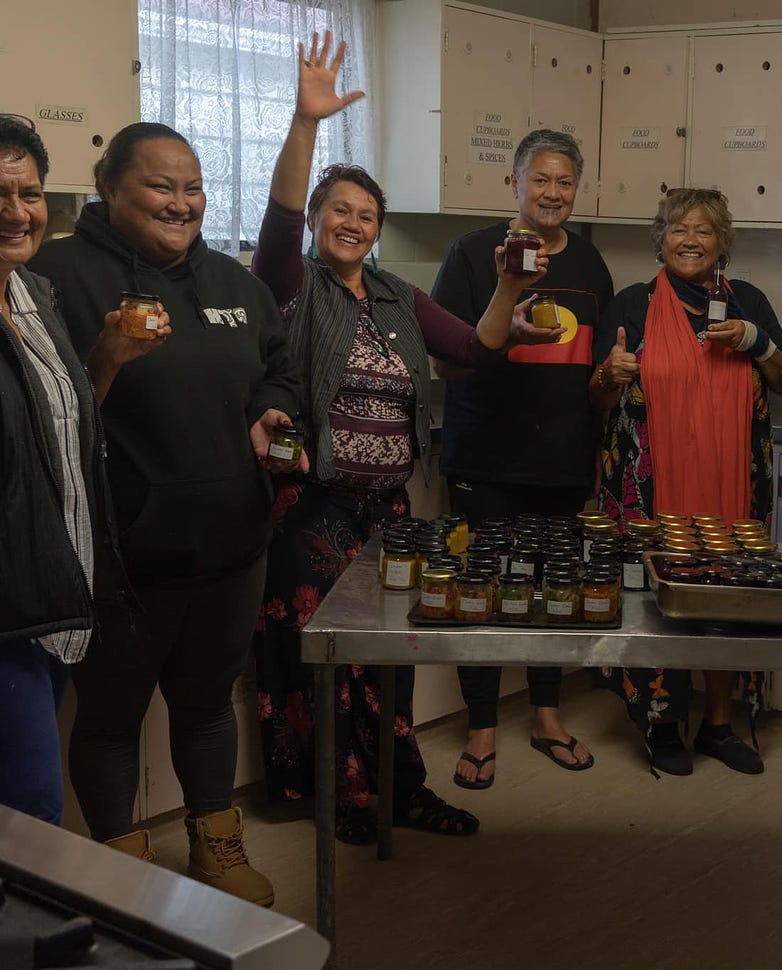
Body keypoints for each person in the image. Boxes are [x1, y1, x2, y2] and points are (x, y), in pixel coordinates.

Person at [29, 121, 305, 907]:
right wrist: (105, 359)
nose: (181, 202)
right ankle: (119, 874)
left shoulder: (233, 283)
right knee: (111, 721)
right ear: (110, 185)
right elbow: (39, 414)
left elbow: (277, 372)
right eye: (160, 185)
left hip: (231, 549)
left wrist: (273, 414)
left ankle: (216, 846)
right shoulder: (52, 278)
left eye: (192, 187)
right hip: (121, 560)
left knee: (207, 704)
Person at [250, 32, 500, 843]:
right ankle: (346, 798)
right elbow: (280, 221)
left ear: (378, 229)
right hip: (311, 504)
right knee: (328, 659)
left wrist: (513, 289)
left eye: (366, 215)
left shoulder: (397, 295)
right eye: (339, 212)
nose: (352, 224)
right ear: (320, 219)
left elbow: (472, 350)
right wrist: (305, 121)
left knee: (390, 655)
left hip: (387, 511)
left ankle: (399, 788)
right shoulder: (294, 285)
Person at [431, 128, 614, 789]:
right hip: (485, 456)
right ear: (514, 183)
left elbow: (594, 378)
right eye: (541, 179)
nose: (554, 192)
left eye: (565, 181)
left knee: (552, 591)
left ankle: (545, 714)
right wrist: (506, 335)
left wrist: (608, 406)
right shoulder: (474, 256)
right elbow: (445, 362)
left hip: (562, 461)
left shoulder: (591, 266)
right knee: (480, 592)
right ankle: (482, 725)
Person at [592, 187, 782, 776]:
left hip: (731, 481)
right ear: (661, 238)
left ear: (721, 242)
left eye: (703, 230)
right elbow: (596, 400)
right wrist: (610, 372)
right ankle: (661, 721)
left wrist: (755, 342)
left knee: (728, 593)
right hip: (656, 485)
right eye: (679, 228)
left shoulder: (749, 301)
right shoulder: (633, 304)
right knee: (659, 594)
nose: (690, 240)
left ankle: (718, 723)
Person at [0, 116, 130, 826]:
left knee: (23, 812)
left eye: (30, 192)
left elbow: (55, 430)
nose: (17, 212)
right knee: (33, 812)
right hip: (8, 608)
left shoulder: (33, 298)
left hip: (53, 590)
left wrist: (104, 360)